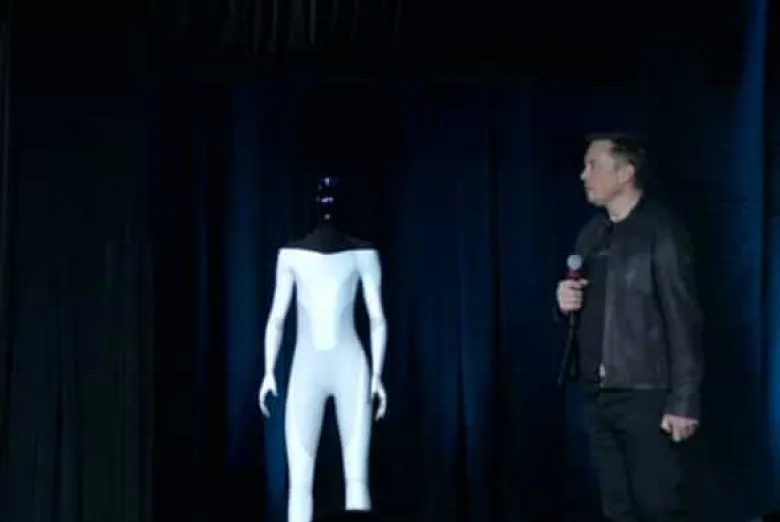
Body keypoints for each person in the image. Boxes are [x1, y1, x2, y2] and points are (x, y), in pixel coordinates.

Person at [556, 133, 703, 522]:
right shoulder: (592, 233)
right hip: (597, 392)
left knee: (658, 506)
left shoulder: (662, 230)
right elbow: (588, 308)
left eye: (593, 166)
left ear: (625, 173)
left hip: (645, 393)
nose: (583, 175)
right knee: (616, 507)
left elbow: (683, 318)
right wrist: (564, 302)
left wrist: (683, 401)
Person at [258, 175, 388, 522]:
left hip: (348, 368)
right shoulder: (291, 256)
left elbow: (377, 318)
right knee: (302, 483)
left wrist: (377, 375)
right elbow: (276, 318)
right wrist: (268, 371)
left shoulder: (363, 255)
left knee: (354, 479)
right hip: (312, 370)